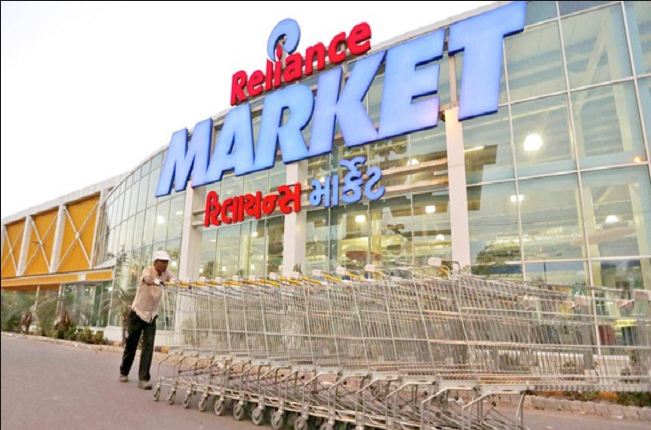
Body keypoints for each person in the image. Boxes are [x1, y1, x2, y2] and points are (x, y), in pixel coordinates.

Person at [119, 250, 175, 389]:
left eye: (166, 262)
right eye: (162, 262)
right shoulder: (148, 270)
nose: (165, 265)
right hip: (138, 313)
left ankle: (143, 379)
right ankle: (124, 371)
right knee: (131, 344)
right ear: (155, 262)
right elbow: (147, 279)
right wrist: (158, 282)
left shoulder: (166, 273)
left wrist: (178, 282)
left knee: (148, 347)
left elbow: (173, 279)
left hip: (151, 316)